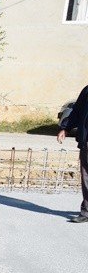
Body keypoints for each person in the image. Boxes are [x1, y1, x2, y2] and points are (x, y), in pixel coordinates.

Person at [57, 83, 88, 223]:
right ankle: (86, 212)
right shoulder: (87, 91)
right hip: (86, 141)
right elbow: (76, 111)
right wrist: (66, 128)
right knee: (86, 177)